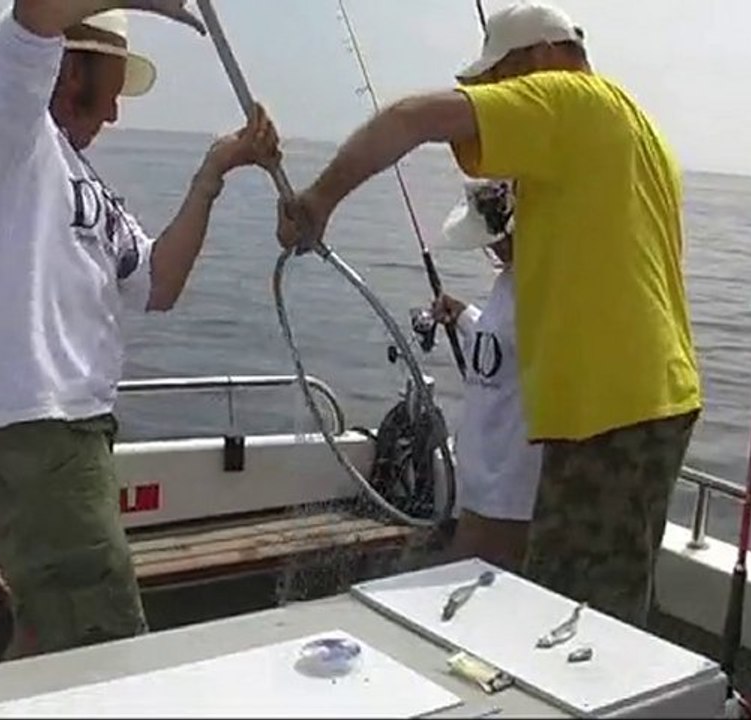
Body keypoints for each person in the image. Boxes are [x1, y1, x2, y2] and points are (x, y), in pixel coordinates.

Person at [276, 1, 702, 628]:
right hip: (641, 402)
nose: (497, 100)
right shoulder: (634, 126)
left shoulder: (566, 100)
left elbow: (414, 118)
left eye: (499, 83)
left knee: (575, 617)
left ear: (538, 59)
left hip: (614, 409)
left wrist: (319, 199)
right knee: (603, 595)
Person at [0, 0, 281, 658]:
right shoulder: (12, 133)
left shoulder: (82, 181)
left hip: (76, 434)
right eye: (109, 85)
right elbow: (35, 14)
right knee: (103, 647)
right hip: (43, 430)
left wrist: (213, 173)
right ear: (67, 66)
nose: (112, 112)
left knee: (53, 633)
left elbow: (158, 283)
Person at [432, 179, 541, 573]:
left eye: (497, 240)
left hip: (510, 490)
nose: (492, 249)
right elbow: (503, 349)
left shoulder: (544, 291)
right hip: (478, 483)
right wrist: (463, 316)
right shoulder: (508, 282)